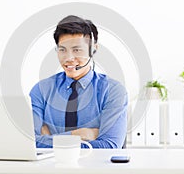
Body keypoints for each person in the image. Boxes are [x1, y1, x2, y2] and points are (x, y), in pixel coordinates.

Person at [29, 15, 128, 148]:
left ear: (93, 49)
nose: (68, 58)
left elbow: (109, 145)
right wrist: (77, 135)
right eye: (62, 50)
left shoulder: (113, 91)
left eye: (77, 50)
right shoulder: (41, 90)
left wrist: (49, 139)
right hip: (49, 168)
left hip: (97, 168)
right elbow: (30, 142)